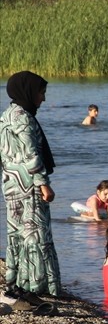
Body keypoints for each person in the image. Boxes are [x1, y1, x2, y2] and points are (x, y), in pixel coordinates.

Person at [0, 71, 62, 301]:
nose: (43, 98)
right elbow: (31, 153)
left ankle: (19, 281)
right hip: (28, 187)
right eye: (41, 92)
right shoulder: (24, 118)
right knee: (36, 234)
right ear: (28, 91)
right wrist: (43, 184)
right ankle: (37, 286)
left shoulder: (7, 115)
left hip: (11, 184)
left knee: (18, 233)